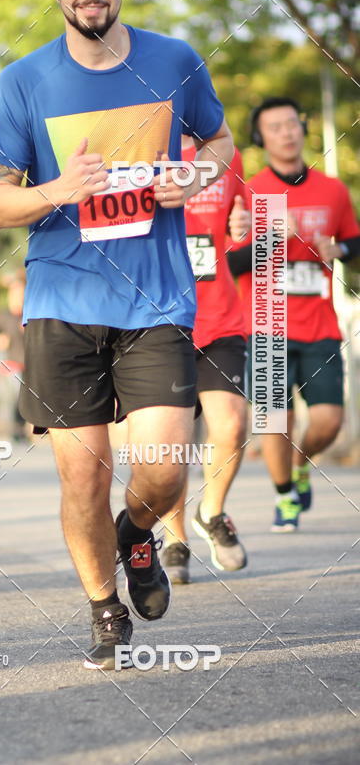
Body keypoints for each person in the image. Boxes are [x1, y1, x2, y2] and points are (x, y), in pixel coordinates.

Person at [0, 0, 233, 669]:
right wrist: (56, 190)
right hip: (61, 302)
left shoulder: (174, 61)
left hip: (156, 299)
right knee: (81, 475)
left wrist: (196, 177)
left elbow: (217, 144)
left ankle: (137, 532)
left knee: (165, 466)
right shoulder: (24, 82)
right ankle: (102, 607)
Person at [228, 97, 360, 531]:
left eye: (291, 123)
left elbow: (354, 245)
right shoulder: (247, 192)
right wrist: (264, 237)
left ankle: (301, 463)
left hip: (319, 323)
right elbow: (227, 263)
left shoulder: (333, 190)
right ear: (260, 138)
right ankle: (285, 496)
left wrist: (337, 249)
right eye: (274, 127)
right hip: (266, 321)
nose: (286, 132)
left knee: (328, 420)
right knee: (273, 420)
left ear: (302, 128)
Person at [161, 139, 250, 583]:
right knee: (172, 444)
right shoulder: (137, 148)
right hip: (159, 321)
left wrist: (244, 227)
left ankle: (210, 512)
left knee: (232, 425)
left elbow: (251, 231)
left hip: (220, 318)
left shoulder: (225, 155)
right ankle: (175, 537)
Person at [0, 273, 27, 441]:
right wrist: (1, 339)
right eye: (15, 294)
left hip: (30, 361)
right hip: (12, 363)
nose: (18, 298)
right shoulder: (3, 315)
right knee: (17, 393)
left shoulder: (29, 314)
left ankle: (26, 427)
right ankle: (17, 429)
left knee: (29, 394)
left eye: (21, 293)